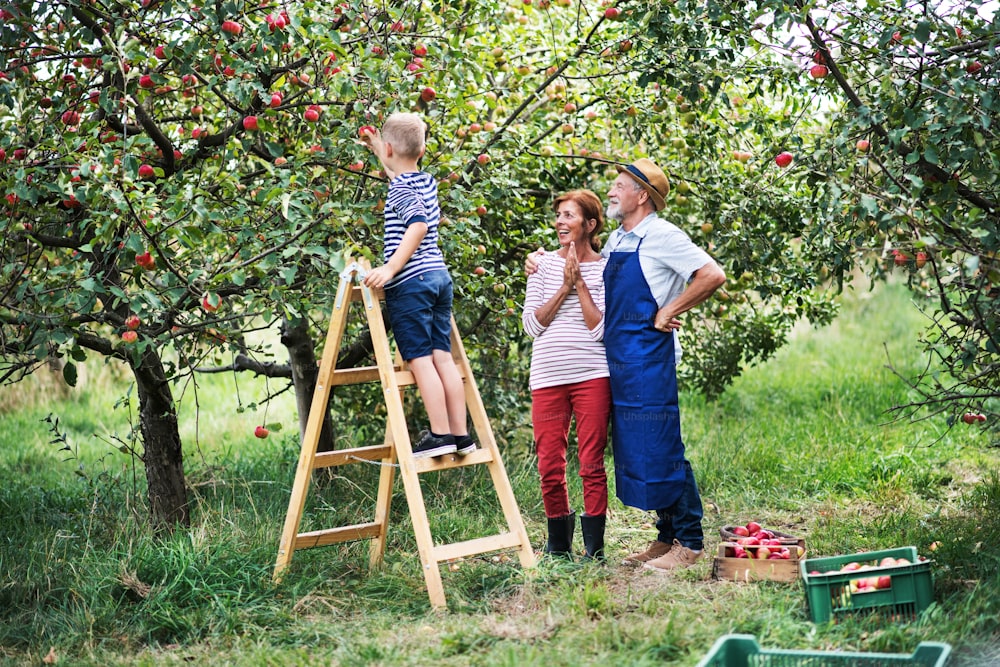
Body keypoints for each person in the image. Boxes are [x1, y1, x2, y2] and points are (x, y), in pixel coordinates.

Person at [526, 158, 725, 572]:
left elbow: (711, 275)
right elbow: (587, 262)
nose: (612, 192)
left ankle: (689, 540)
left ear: (641, 195)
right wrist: (542, 258)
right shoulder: (618, 239)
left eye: (619, 186)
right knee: (640, 449)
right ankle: (665, 536)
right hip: (619, 359)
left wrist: (669, 309)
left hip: (650, 359)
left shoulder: (664, 235)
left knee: (664, 447)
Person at [360, 112, 476, 459]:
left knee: (420, 360)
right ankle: (461, 435)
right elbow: (398, 170)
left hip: (412, 281)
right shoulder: (424, 181)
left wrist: (391, 268)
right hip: (439, 278)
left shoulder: (398, 189)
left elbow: (418, 226)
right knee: (443, 358)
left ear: (393, 147)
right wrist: (379, 148)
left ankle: (439, 434)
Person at [522, 190, 611, 561]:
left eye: (569, 216)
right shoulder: (540, 265)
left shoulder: (607, 268)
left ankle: (595, 550)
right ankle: (558, 545)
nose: (560, 222)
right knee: (549, 463)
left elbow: (600, 329)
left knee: (591, 461)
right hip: (547, 376)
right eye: (558, 215)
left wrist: (579, 284)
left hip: (592, 374)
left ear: (589, 225)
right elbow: (531, 325)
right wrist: (562, 285)